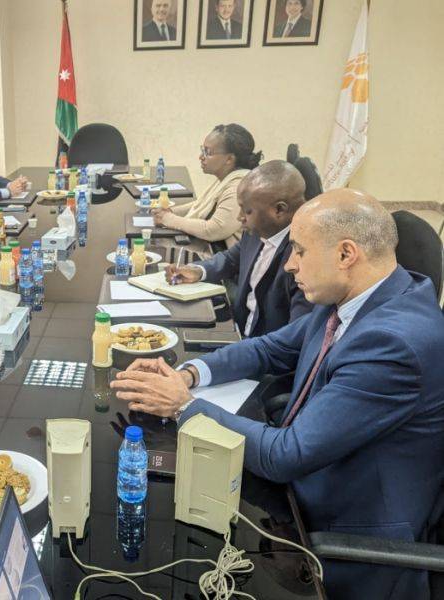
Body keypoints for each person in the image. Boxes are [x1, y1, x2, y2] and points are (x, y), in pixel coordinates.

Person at [112, 190, 444, 600]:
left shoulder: (394, 345)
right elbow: (269, 349)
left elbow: (288, 455)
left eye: (300, 251)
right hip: (302, 484)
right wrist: (189, 374)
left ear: (346, 254)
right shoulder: (358, 295)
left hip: (342, 536)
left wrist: (181, 405)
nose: (289, 264)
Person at [166, 160, 312, 337]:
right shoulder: (259, 229)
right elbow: (232, 258)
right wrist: (199, 271)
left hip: (264, 347)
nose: (239, 217)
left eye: (247, 211)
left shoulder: (305, 259)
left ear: (279, 209)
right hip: (237, 330)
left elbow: (293, 338)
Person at [153, 123, 262, 249]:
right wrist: (170, 212)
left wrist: (169, 219)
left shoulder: (238, 186)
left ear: (229, 159)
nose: (201, 157)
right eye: (202, 150)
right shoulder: (227, 177)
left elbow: (214, 229)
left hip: (224, 256)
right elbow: (199, 204)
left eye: (208, 152)